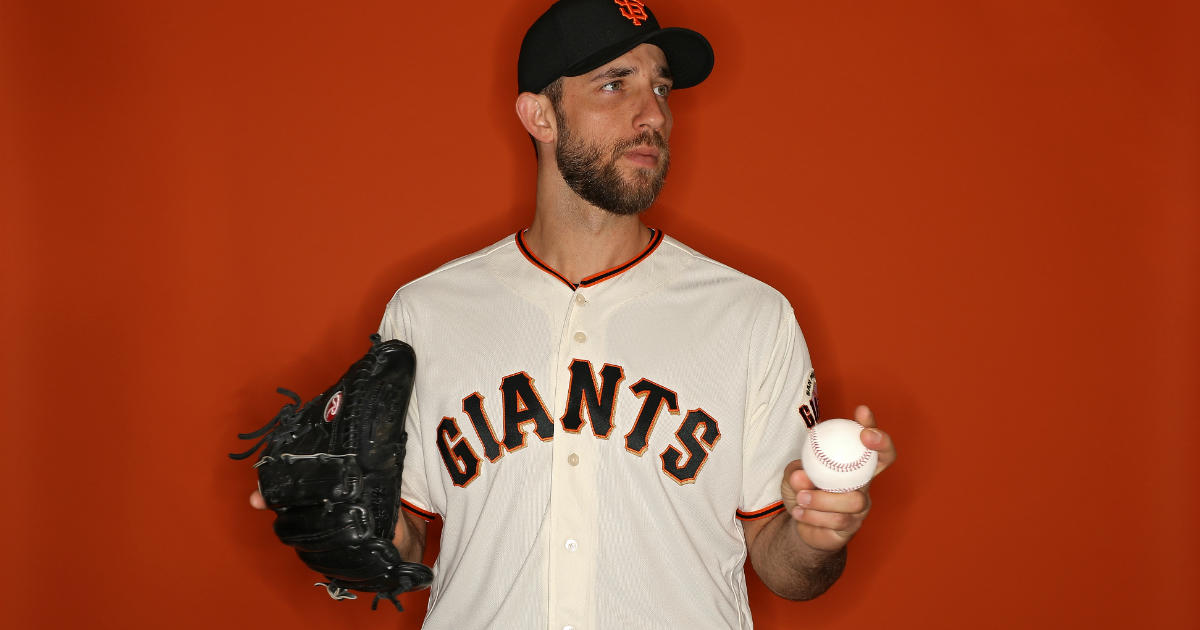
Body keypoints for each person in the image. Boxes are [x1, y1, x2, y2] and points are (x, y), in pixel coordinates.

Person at [251, 1, 896, 627]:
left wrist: (818, 535)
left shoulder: (752, 317)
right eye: (615, 85)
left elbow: (785, 567)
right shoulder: (426, 312)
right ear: (540, 116)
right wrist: (344, 526)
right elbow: (405, 541)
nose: (653, 115)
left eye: (662, 88)